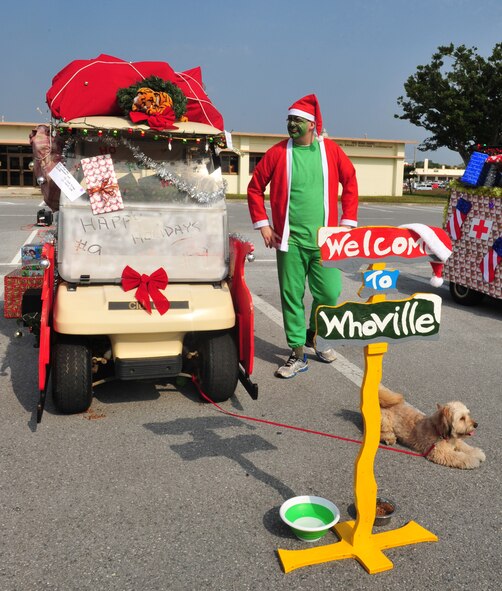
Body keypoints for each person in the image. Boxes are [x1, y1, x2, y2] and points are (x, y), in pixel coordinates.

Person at [247, 94, 358, 378]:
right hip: (289, 241)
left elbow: (350, 180)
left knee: (330, 292)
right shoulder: (277, 153)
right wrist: (264, 225)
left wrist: (347, 222)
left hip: (326, 241)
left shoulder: (330, 150)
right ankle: (297, 352)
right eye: (289, 119)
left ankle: (315, 335)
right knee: (292, 296)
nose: (291, 124)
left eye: (297, 120)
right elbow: (255, 188)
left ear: (311, 125)